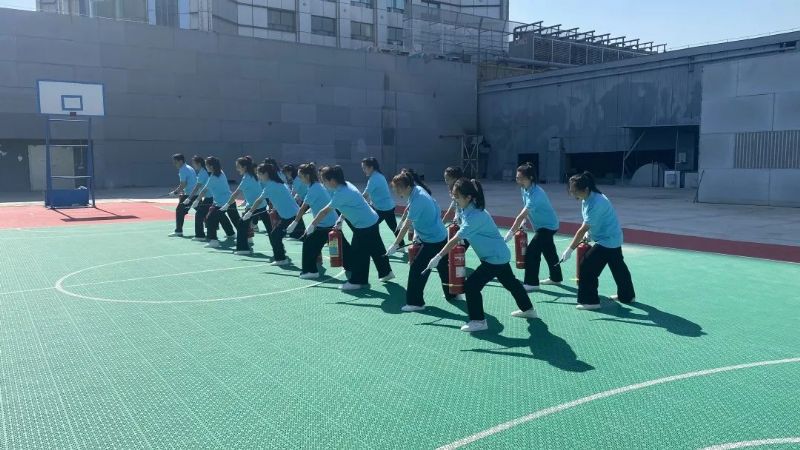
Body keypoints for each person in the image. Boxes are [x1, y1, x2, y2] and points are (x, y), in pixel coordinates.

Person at [424, 178, 537, 332]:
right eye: (453, 196)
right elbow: (460, 219)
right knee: (510, 282)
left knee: (471, 286)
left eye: (457, 196)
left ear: (468, 197)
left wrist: (438, 256)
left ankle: (478, 321)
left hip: (494, 258)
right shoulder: (468, 209)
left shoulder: (475, 217)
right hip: (498, 255)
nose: (454, 199)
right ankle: (529, 310)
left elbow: (456, 239)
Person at [304, 165, 394, 290]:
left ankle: (357, 281)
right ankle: (386, 272)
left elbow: (324, 211)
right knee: (376, 248)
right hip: (371, 220)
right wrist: (340, 219)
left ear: (332, 180)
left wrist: (312, 225)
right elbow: (347, 206)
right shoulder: (346, 185)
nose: (323, 184)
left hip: (364, 225)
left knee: (358, 253)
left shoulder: (341, 193)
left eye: (324, 180)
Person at [560, 171, 636, 310]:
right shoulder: (587, 198)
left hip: (607, 240)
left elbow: (582, 229)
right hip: (612, 237)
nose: (572, 194)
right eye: (570, 190)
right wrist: (589, 234)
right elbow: (592, 222)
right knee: (618, 267)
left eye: (574, 191)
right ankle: (627, 295)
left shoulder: (597, 202)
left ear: (585, 189)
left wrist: (569, 250)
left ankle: (590, 302)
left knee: (587, 266)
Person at [385, 171, 456, 311]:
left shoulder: (418, 200)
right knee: (443, 268)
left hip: (432, 240)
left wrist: (395, 245)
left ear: (407, 187)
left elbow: (407, 225)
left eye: (398, 189)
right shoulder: (417, 190)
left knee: (417, 270)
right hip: (439, 235)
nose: (396, 192)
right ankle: (453, 294)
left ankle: (415, 303)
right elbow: (435, 208)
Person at [504, 162, 563, 291]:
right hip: (541, 226)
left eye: (521, 178)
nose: (518, 180)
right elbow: (526, 211)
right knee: (549, 251)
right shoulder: (524, 189)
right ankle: (556, 278)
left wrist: (510, 234)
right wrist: (524, 222)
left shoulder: (537, 194)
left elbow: (521, 215)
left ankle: (532, 283)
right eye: (517, 178)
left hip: (548, 226)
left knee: (532, 252)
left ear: (530, 178)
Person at [287, 163, 345, 279]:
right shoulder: (315, 186)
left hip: (326, 224)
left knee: (308, 244)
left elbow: (303, 208)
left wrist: (294, 223)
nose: (299, 179)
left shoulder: (314, 189)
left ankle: (311, 271)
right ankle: (352, 266)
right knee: (343, 248)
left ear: (307, 176)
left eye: (300, 176)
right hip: (328, 222)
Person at [245, 162, 304, 265]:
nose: (258, 176)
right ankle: (315, 256)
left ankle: (281, 259)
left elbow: (259, 200)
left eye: (259, 173)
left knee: (276, 236)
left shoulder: (270, 186)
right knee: (300, 236)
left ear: (266, 174)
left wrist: (250, 212)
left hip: (291, 216)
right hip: (291, 215)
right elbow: (281, 198)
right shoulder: (278, 183)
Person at [220, 157, 264, 256]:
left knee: (241, 225)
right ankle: (248, 240)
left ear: (244, 167)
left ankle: (243, 249)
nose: (237, 169)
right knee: (246, 224)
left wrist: (227, 204)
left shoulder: (247, 178)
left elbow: (236, 193)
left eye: (238, 167)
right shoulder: (252, 175)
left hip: (255, 206)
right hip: (259, 205)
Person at [192, 156, 237, 248]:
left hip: (221, 203)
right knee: (235, 219)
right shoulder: (221, 172)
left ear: (211, 166)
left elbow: (204, 190)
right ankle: (233, 234)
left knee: (210, 219)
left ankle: (213, 241)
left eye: (207, 165)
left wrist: (196, 200)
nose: (206, 167)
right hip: (230, 200)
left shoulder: (213, 178)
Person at [361, 157, 402, 247]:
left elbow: (365, 195)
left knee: (371, 226)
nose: (363, 170)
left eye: (364, 168)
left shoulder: (374, 179)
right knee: (393, 227)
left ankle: (375, 246)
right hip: (387, 207)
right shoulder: (379, 175)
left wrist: (355, 203)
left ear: (371, 167)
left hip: (382, 209)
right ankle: (401, 245)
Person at [182, 155, 211, 241]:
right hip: (210, 197)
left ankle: (200, 236)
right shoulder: (204, 171)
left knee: (199, 214)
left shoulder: (203, 173)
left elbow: (197, 187)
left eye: (194, 163)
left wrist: (189, 198)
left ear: (199, 163)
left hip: (210, 197)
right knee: (211, 215)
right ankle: (230, 233)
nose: (193, 165)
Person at [168, 153, 197, 237]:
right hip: (195, 193)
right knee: (201, 211)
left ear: (180, 161)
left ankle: (178, 231)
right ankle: (210, 227)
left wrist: (175, 192)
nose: (174, 164)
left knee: (179, 211)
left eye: (175, 162)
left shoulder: (183, 170)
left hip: (189, 195)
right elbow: (189, 182)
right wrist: (182, 192)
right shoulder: (189, 168)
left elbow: (183, 184)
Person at [282, 164, 306, 239]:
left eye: (285, 173)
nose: (285, 175)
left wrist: (288, 201)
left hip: (305, 200)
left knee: (296, 214)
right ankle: (296, 232)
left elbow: (294, 193)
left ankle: (298, 232)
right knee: (296, 214)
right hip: (302, 199)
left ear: (289, 172)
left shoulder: (297, 180)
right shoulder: (296, 179)